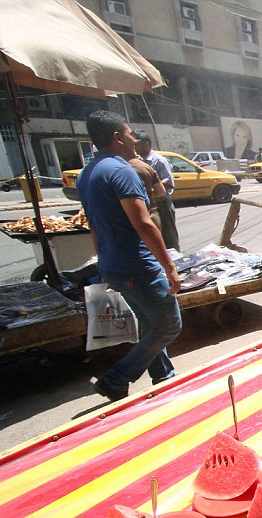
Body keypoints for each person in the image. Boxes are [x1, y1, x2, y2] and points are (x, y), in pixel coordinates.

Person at [77, 110, 183, 401]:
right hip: (136, 264)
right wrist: (170, 267)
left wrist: (104, 263)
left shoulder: (86, 173)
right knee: (168, 324)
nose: (133, 140)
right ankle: (116, 378)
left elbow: (93, 224)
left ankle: (163, 376)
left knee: (151, 323)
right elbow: (144, 224)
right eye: (128, 134)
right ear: (116, 137)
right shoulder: (122, 171)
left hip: (113, 263)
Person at [133, 130, 180, 251]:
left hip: (163, 205)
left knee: (169, 239)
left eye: (137, 144)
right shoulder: (137, 162)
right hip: (149, 205)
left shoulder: (159, 161)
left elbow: (169, 183)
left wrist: (152, 186)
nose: (135, 147)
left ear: (147, 144)